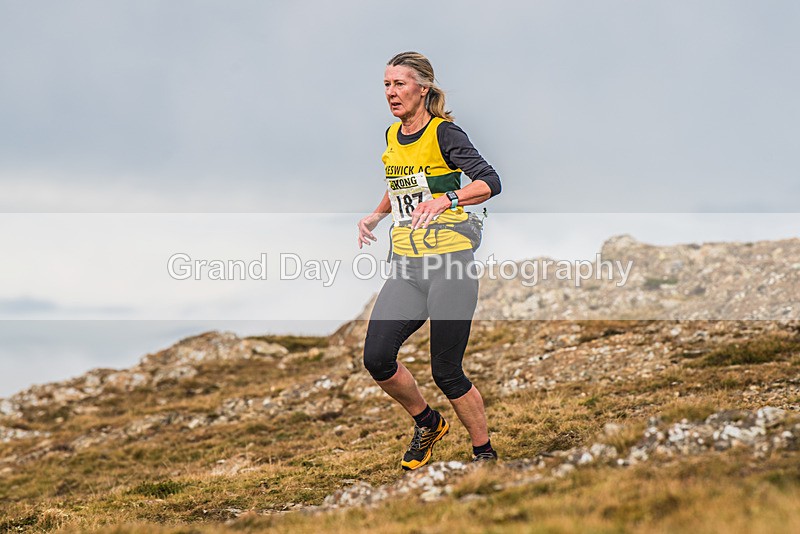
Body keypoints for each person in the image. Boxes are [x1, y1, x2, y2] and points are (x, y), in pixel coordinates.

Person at [357, 51, 502, 470]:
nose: (391, 93)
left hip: (449, 264)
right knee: (377, 358)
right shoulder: (392, 135)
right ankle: (428, 423)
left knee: (446, 370)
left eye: (399, 84)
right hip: (407, 266)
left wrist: (448, 199)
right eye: (386, 85)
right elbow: (400, 185)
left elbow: (490, 181)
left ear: (423, 89)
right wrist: (376, 215)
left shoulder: (445, 134)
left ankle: (484, 453)